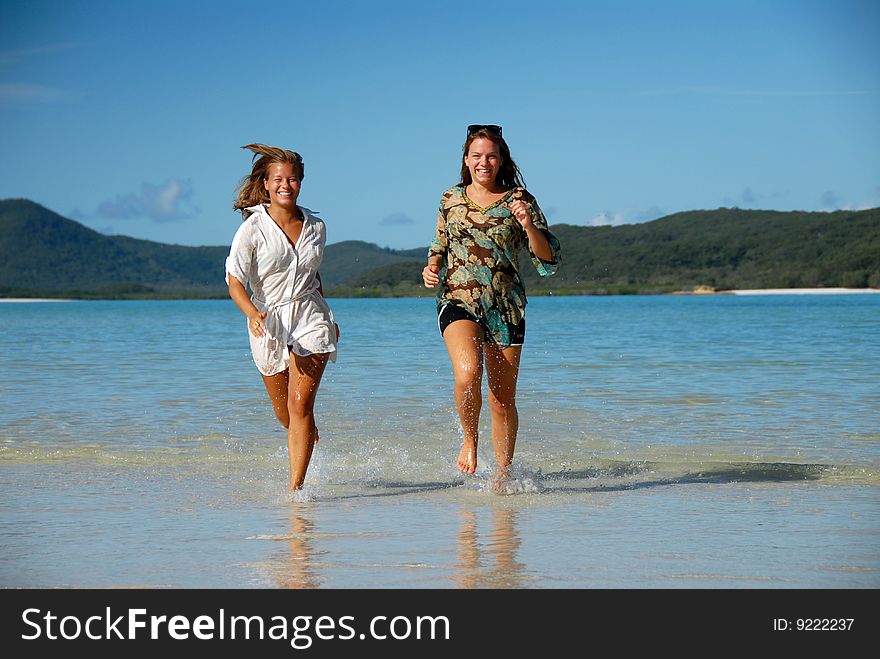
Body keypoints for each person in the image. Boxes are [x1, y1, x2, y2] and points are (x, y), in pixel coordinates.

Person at [422, 124, 560, 488]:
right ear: (466, 161)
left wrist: (529, 226)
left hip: (506, 306)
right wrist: (431, 268)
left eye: (491, 155)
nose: (484, 162)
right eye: (476, 155)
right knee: (468, 374)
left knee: (501, 400)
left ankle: (503, 472)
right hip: (458, 300)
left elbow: (548, 259)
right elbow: (439, 246)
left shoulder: (519, 199)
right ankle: (470, 440)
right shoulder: (450, 199)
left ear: (501, 160)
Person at [226, 143, 338, 491]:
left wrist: (328, 315)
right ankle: (306, 433)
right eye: (278, 179)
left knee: (300, 403)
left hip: (309, 315)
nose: (285, 186)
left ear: (300, 183)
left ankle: (296, 491)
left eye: (292, 179)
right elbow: (234, 282)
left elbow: (313, 277)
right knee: (285, 414)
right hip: (268, 318)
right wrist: (252, 313)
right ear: (266, 183)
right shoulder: (253, 228)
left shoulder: (316, 227)